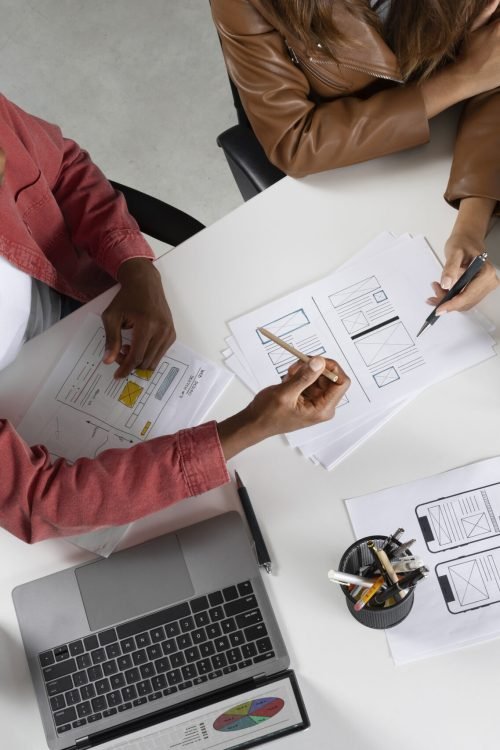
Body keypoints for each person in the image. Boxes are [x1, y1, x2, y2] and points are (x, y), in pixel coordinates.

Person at [0, 93, 350, 544]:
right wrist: (251, 426)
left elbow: (64, 169)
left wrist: (135, 267)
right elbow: (42, 503)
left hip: (66, 289)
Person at [211, 0, 500, 314]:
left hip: (449, 147)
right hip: (347, 174)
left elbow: (492, 67)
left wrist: (472, 220)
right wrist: (460, 79)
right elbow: (295, 141)